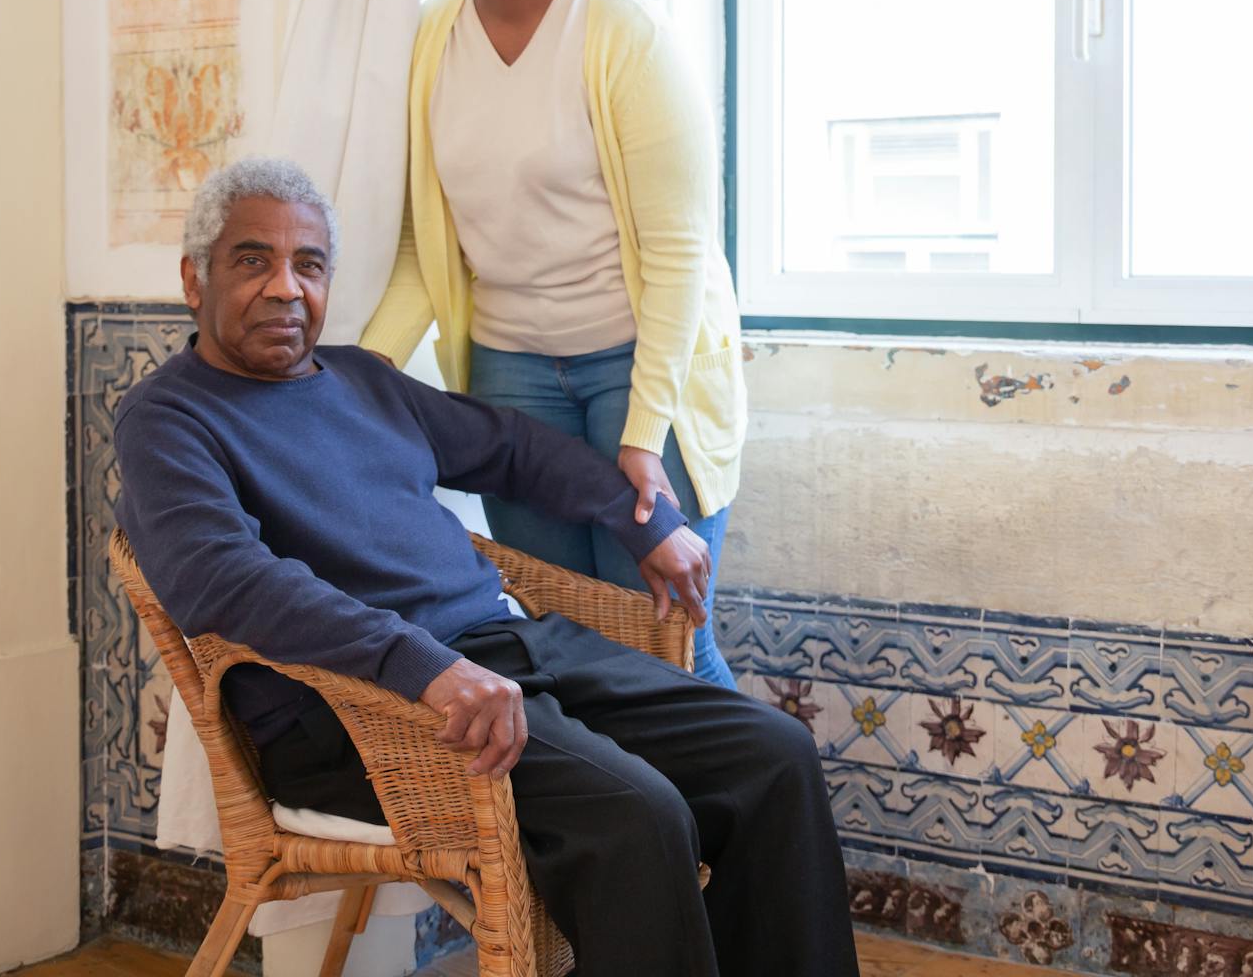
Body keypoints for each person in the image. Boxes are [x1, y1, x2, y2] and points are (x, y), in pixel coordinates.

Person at [115, 158, 857, 977]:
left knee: (773, 755)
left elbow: (507, 448)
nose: (287, 288)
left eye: (310, 264)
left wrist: (642, 519)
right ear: (196, 279)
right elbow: (222, 580)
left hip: (504, 653)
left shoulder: (362, 379)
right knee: (640, 816)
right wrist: (422, 665)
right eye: (253, 261)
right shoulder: (167, 420)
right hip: (363, 710)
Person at [358, 0, 745, 688]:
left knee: (666, 644)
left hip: (639, 371)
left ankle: (733, 830)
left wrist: (645, 433)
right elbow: (428, 247)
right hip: (511, 379)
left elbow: (683, 254)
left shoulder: (626, 36)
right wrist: (351, 381)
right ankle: (644, 835)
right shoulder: (427, 41)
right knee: (572, 644)